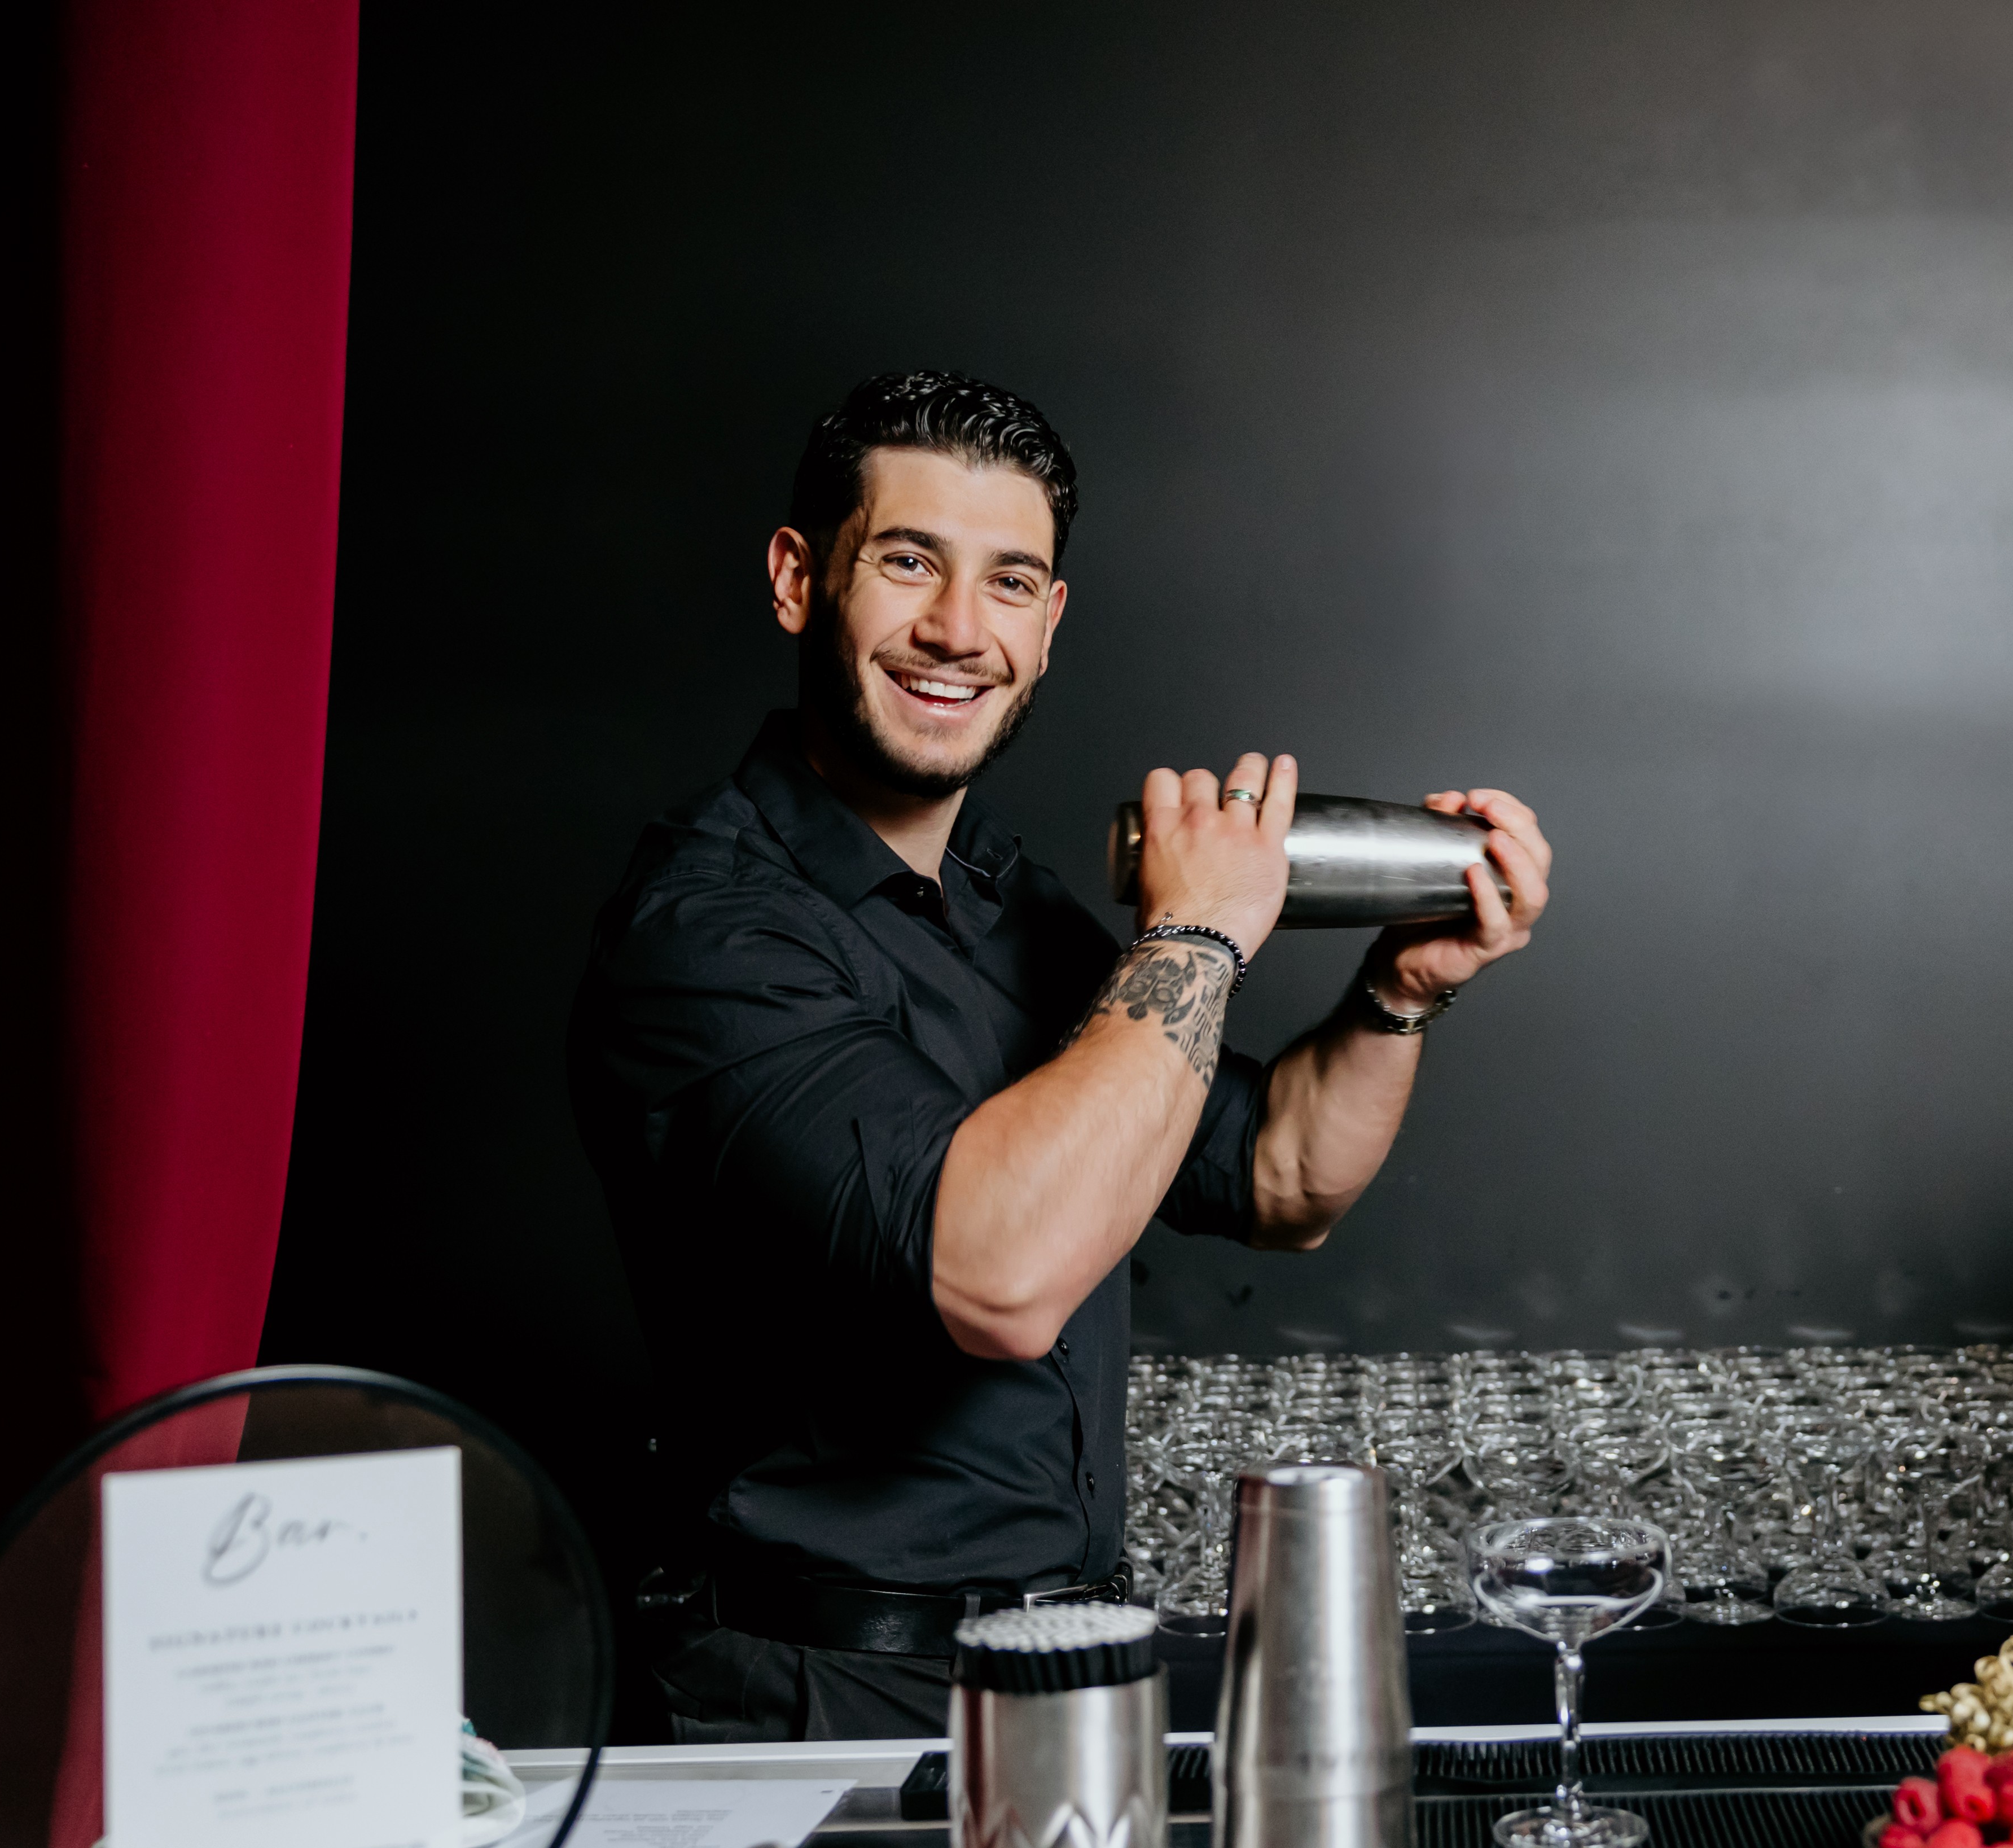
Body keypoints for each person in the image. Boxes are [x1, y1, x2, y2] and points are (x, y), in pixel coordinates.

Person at [568, 372, 1552, 1740]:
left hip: (1053, 1669)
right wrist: (1198, 931)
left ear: (1050, 625)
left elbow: (1280, 1181)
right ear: (799, 580)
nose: (957, 630)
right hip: (819, 1699)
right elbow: (1000, 1277)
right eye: (907, 562)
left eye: (1011, 582)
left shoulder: (1003, 905)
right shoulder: (711, 933)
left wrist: (1399, 991)